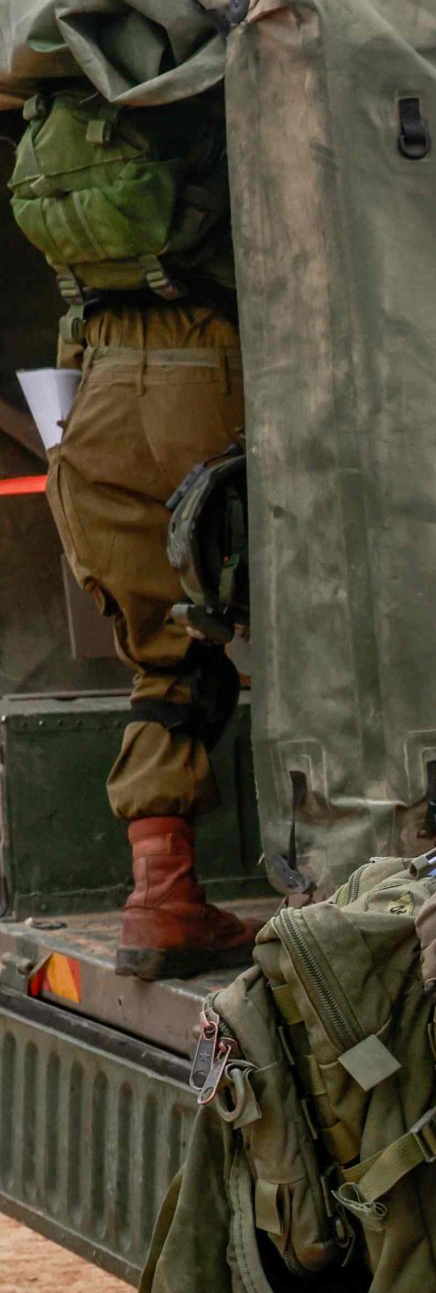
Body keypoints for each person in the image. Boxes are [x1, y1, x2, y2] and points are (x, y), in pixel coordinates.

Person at [11, 75, 254, 971]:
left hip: (99, 380)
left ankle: (163, 891)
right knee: (305, 605)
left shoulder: (70, 126)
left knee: (167, 651)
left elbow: (74, 316)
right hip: (215, 366)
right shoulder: (203, 107)